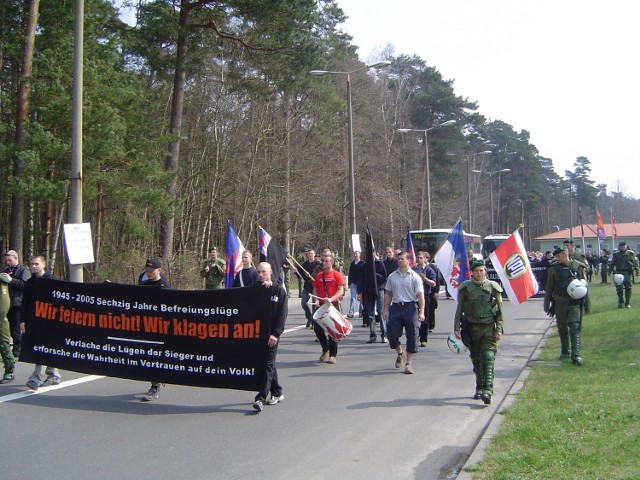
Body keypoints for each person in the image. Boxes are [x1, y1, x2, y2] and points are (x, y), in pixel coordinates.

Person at [454, 259, 504, 404]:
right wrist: (457, 327)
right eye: (476, 271)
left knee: (488, 357)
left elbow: (500, 311)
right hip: (472, 328)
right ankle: (479, 387)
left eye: (481, 270)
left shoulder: (493, 287)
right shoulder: (466, 288)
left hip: (488, 328)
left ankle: (488, 390)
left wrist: (499, 329)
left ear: (485, 272)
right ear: (472, 273)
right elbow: (459, 309)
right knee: (476, 360)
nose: (479, 273)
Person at [544, 246, 590, 365]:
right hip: (559, 303)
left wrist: (587, 306)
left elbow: (584, 287)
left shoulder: (578, 267)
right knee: (562, 328)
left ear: (565, 255)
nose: (556, 258)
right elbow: (549, 288)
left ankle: (576, 355)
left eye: (558, 256)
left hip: (574, 303)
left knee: (574, 327)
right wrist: (547, 303)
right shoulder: (553, 269)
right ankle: (565, 352)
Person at [20, 256, 60, 390]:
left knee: (42, 348)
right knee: (43, 347)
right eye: (32, 264)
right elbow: (25, 303)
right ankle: (54, 374)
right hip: (34, 320)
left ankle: (35, 379)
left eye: (37, 264)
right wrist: (22, 321)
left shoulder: (52, 281)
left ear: (44, 264)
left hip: (50, 321)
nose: (34, 266)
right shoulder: (30, 282)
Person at [252, 262, 288, 412]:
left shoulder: (279, 290)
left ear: (271, 272)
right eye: (259, 272)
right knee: (268, 363)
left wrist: (276, 333)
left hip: (272, 335)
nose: (261, 275)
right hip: (258, 334)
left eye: (263, 272)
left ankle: (260, 398)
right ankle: (277, 391)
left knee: (267, 363)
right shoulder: (256, 289)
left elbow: (282, 314)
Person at [382, 251, 425, 375]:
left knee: (412, 335)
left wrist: (421, 312)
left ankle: (408, 364)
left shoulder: (414, 277)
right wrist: (385, 309)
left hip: (410, 307)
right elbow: (388, 293)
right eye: (398, 259)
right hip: (395, 307)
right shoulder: (392, 276)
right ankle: (400, 352)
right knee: (391, 334)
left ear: (408, 261)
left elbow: (420, 296)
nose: (399, 261)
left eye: (402, 259)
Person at [139, 258, 170, 400]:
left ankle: (157, 382)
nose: (149, 273)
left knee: (158, 356)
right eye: (147, 271)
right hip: (146, 326)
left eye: (151, 271)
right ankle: (155, 382)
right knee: (148, 356)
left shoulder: (164, 286)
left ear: (159, 270)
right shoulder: (143, 284)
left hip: (160, 327)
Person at [312, 251, 345, 364]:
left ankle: (333, 354)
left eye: (327, 261)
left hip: (332, 304)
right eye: (323, 261)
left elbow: (341, 290)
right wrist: (316, 300)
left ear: (331, 262)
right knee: (317, 328)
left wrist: (331, 299)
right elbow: (315, 289)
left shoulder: (336, 275)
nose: (324, 263)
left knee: (332, 330)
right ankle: (325, 348)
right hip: (321, 305)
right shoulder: (319, 276)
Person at [1, 250, 31, 357]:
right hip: (6, 303)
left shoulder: (24, 270)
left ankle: (18, 351)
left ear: (16, 258)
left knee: (16, 329)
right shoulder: (7, 270)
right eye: (7, 261)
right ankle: (6, 351)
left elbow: (25, 285)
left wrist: (11, 280)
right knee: (6, 328)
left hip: (18, 303)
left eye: (10, 260)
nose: (8, 262)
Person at [357, 249, 388, 343]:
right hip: (368, 291)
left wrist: (375, 275)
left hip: (379, 290)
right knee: (370, 314)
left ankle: (384, 334)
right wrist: (359, 292)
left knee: (380, 312)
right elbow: (361, 279)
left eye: (372, 253)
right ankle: (372, 335)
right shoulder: (364, 265)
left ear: (375, 254)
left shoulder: (380, 264)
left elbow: (384, 278)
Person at [413, 251, 436, 347]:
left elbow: (433, 283)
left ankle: (423, 339)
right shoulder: (413, 269)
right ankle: (414, 336)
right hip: (414, 296)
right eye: (417, 257)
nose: (419, 259)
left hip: (425, 296)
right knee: (413, 318)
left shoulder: (429, 270)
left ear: (425, 259)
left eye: (421, 258)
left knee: (424, 318)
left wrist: (425, 279)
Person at [609, 241, 639, 308]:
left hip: (627, 273)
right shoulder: (616, 254)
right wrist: (609, 271)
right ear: (619, 247)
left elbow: (635, 262)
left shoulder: (630, 253)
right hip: (619, 272)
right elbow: (612, 263)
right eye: (621, 246)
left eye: (624, 246)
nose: (623, 248)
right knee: (619, 288)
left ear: (626, 246)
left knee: (628, 288)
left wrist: (637, 271)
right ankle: (620, 302)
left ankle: (627, 303)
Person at [297, 249, 320, 329]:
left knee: (315, 305)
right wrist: (295, 271)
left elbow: (319, 275)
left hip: (315, 287)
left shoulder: (318, 264)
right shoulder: (304, 265)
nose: (310, 255)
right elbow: (299, 274)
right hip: (307, 287)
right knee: (303, 303)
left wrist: (310, 276)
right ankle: (309, 318)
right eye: (309, 254)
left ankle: (314, 322)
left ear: (314, 254)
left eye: (311, 253)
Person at [0, 275, 16, 384]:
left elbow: (4, 305)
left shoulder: (2, 282)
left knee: (4, 346)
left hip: (0, 322)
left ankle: (9, 371)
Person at [424, 252, 440, 333]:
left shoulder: (432, 267)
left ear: (427, 258)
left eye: (425, 257)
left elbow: (436, 279)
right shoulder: (419, 268)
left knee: (431, 308)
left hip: (432, 291)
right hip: (424, 292)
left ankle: (431, 325)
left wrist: (437, 291)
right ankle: (424, 325)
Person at [347, 251, 363, 318]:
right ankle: (351, 312)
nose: (356, 255)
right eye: (355, 254)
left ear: (359, 255)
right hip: (353, 283)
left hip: (360, 283)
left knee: (361, 298)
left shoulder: (362, 263)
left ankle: (361, 311)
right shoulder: (352, 263)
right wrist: (349, 283)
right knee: (352, 298)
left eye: (357, 254)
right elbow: (350, 273)